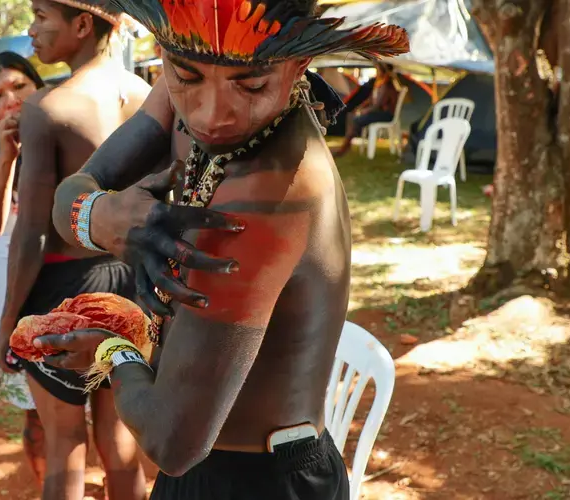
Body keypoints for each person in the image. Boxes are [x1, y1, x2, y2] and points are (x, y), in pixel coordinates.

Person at [43, 1, 408, 497]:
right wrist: (99, 216)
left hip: (252, 482)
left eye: (252, 85)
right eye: (186, 76)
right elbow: (72, 192)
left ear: (298, 66)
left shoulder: (267, 192)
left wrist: (113, 352)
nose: (212, 115)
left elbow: (173, 443)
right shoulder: (189, 82)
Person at [0, 1, 151, 498]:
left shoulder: (49, 107)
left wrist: (5, 323)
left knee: (64, 444)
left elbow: (33, 231)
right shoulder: (149, 96)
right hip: (132, 287)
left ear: (82, 24)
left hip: (64, 292)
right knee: (120, 437)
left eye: (41, 16)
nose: (31, 29)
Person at [0, 51, 48, 485]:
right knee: (37, 414)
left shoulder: (70, 134)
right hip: (13, 293)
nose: (12, 100)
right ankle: (48, 486)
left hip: (70, 280)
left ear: (38, 85)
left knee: (102, 406)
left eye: (20, 86)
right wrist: (7, 157)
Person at [333, 62, 402, 156]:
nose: (376, 71)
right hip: (379, 112)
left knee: (356, 120)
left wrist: (364, 111)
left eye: (377, 69)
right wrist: (360, 108)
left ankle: (345, 147)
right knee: (350, 115)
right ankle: (347, 143)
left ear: (382, 70)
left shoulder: (387, 84)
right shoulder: (381, 83)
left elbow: (377, 105)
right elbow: (371, 100)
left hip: (386, 115)